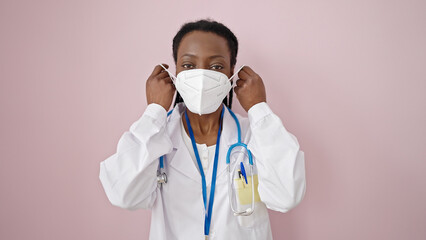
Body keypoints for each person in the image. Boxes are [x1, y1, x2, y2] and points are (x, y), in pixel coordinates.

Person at [99, 19, 306, 240]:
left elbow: (287, 196)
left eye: (216, 66)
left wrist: (259, 109)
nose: (201, 76)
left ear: (231, 72)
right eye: (188, 65)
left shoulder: (253, 134)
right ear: (175, 72)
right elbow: (122, 194)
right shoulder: (157, 136)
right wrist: (154, 112)